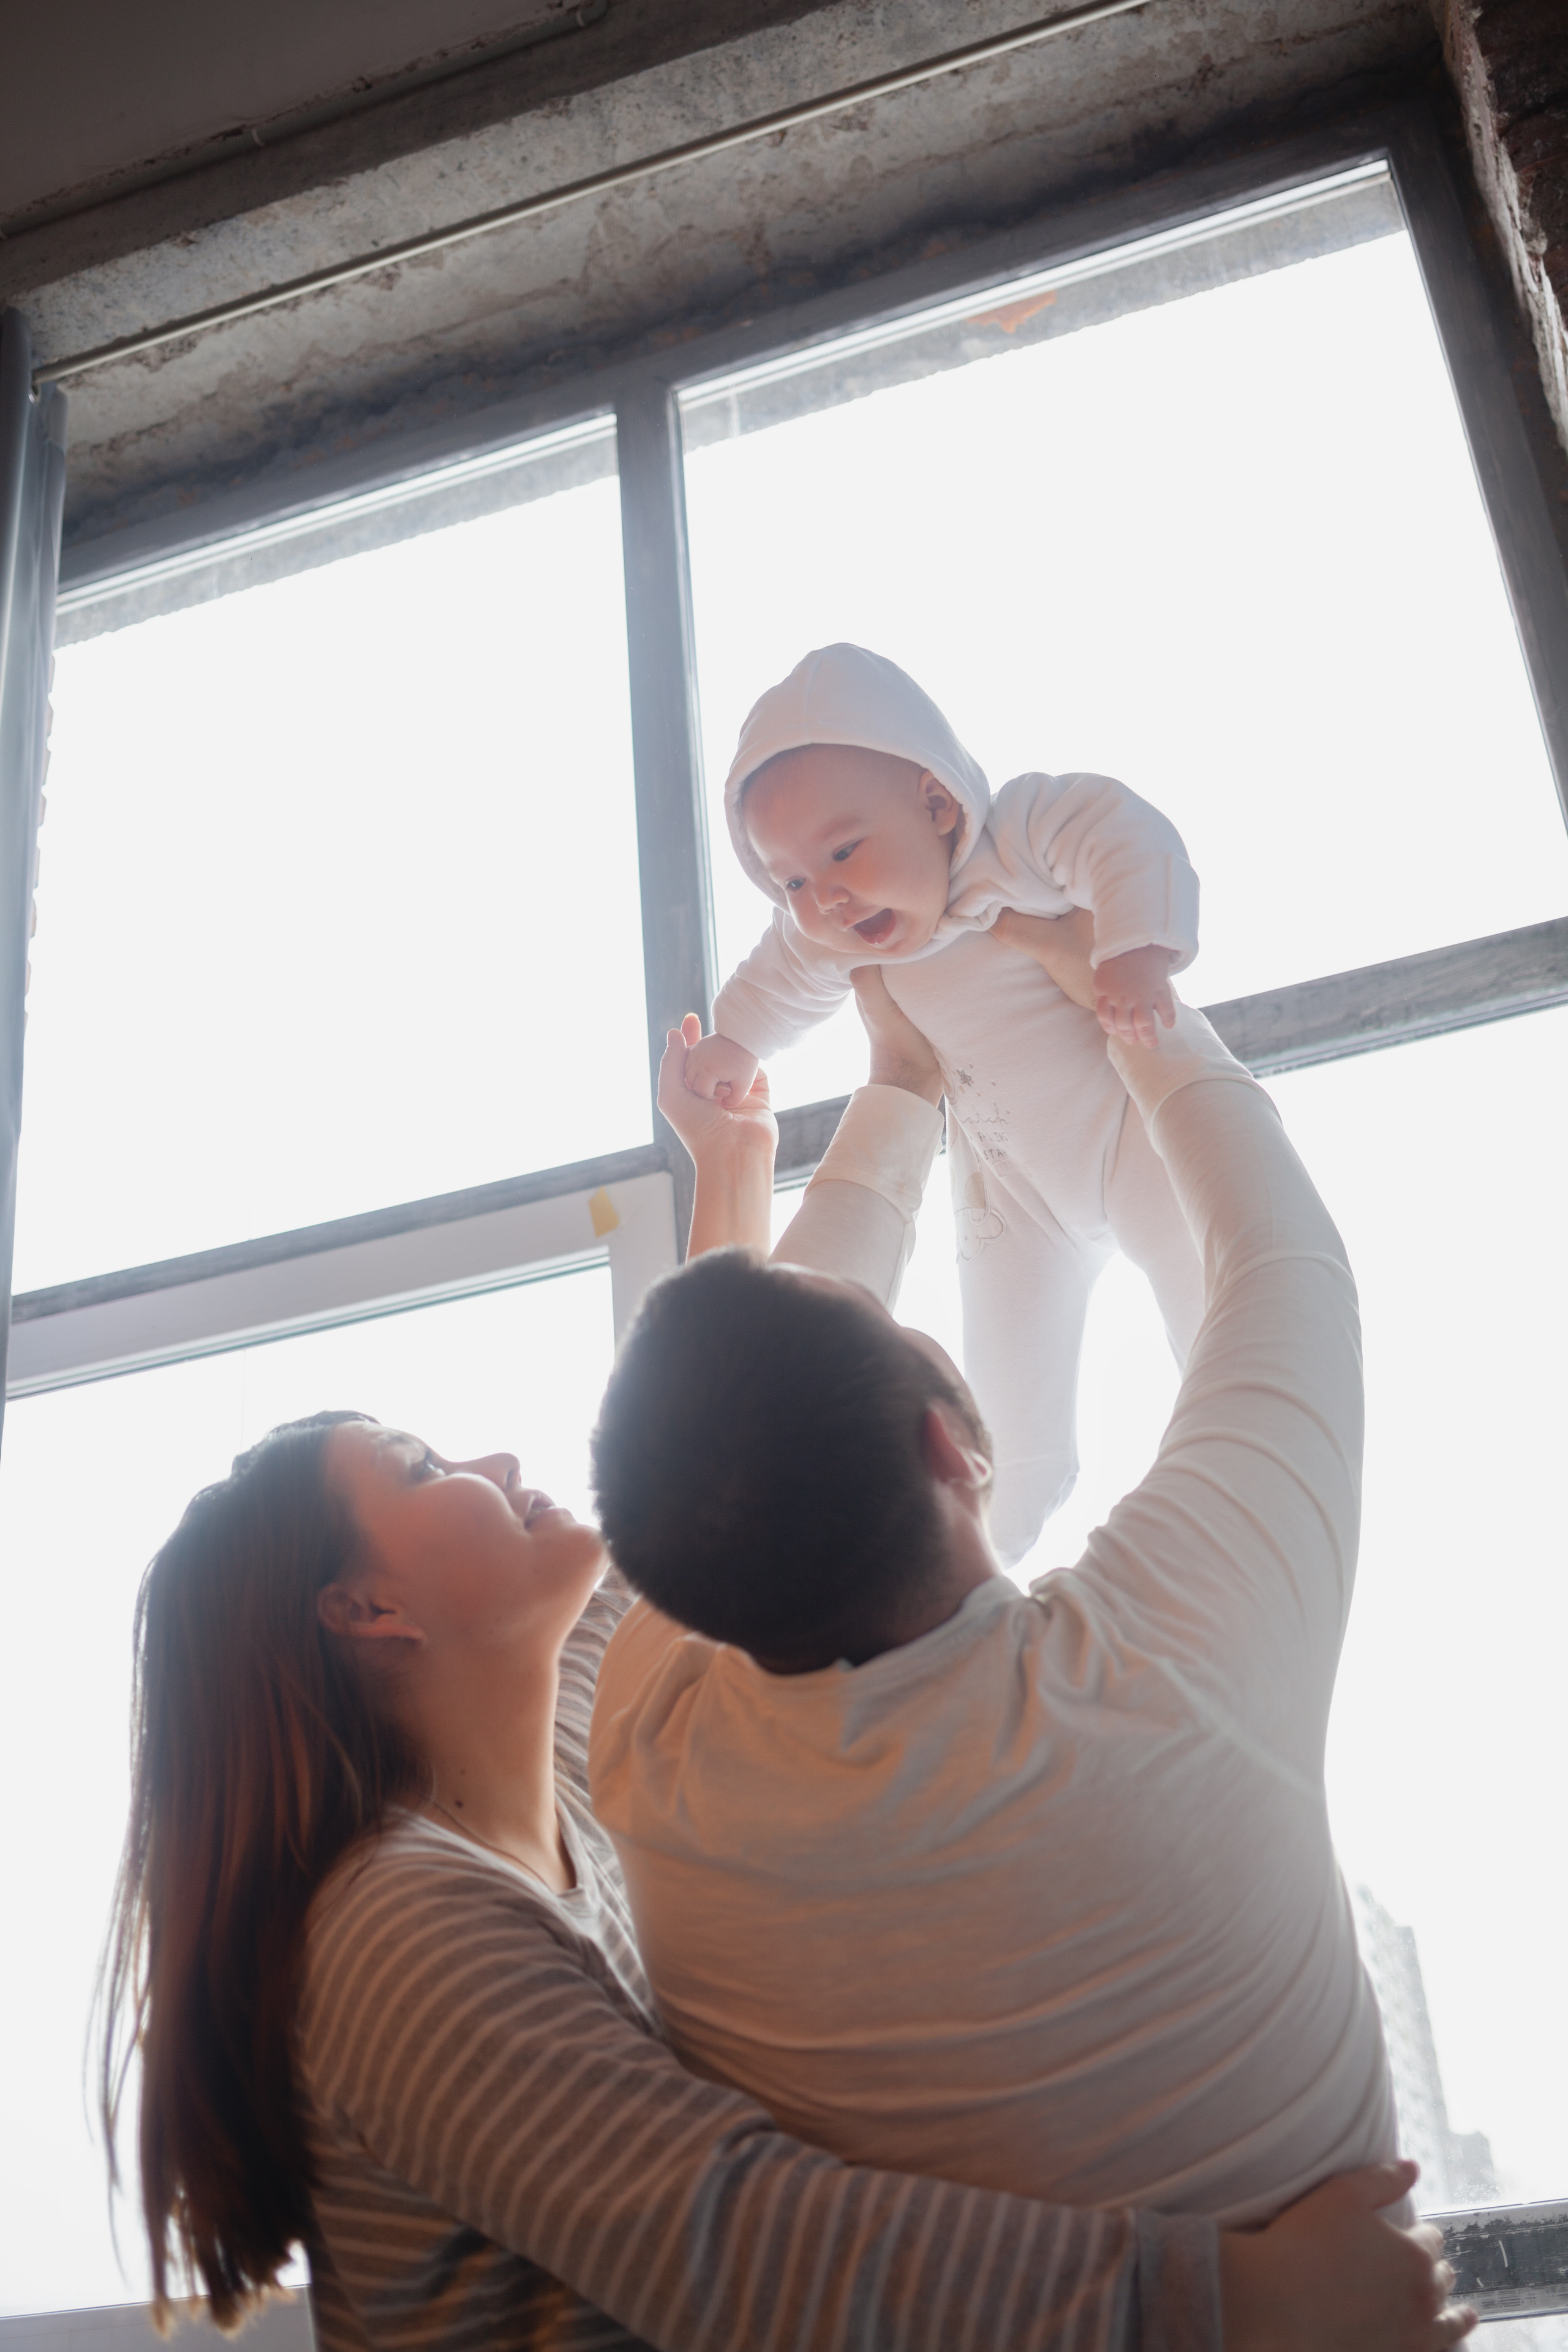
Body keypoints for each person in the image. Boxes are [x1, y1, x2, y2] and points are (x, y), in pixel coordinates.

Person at [97, 1008, 1469, 2352]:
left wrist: (755, 1158)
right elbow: (738, 2240)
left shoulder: (615, 1749)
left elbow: (723, 1450)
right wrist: (1229, 2307)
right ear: (367, 1606)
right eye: (419, 1468)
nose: (496, 1463)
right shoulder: (398, 1930)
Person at [590, 980, 1401, 2235]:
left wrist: (900, 1087)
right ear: (949, 1444)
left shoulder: (650, 1742)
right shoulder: (1173, 1662)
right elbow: (1282, 1258)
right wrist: (1130, 999)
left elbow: (738, 1418)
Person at [682, 639, 1208, 1561]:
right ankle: (979, 1571)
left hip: (1128, 1135)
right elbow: (780, 974)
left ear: (936, 800)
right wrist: (734, 1041)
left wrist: (1133, 948)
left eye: (844, 851)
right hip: (1008, 1192)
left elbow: (1121, 832)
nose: (827, 897)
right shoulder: (842, 941)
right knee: (998, 1423)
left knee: (1210, 1302)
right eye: (792, 880)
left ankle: (1221, 1483)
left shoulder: (1021, 838)